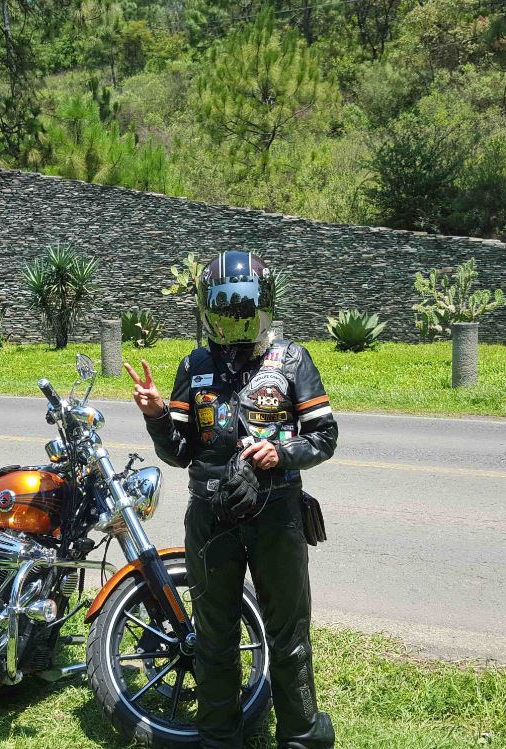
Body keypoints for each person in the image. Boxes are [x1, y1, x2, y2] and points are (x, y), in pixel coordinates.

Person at [123, 250, 338, 749]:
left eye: (245, 305)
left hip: (277, 512)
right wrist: (156, 415)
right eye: (224, 306)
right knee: (214, 634)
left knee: (289, 631)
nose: (236, 316)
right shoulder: (194, 364)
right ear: (208, 309)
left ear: (264, 304)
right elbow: (179, 453)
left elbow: (324, 436)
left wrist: (280, 453)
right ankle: (220, 737)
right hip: (211, 516)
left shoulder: (293, 360)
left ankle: (301, 736)